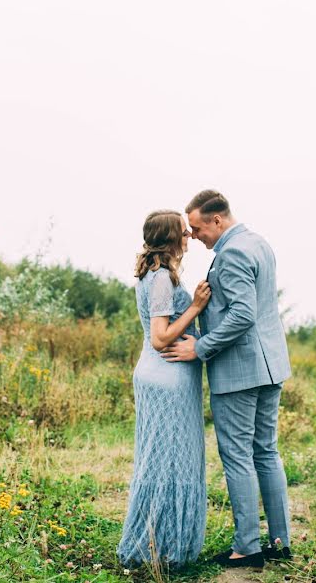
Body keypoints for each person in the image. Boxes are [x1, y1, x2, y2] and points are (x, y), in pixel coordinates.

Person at [162, 190, 293, 569]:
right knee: (266, 451)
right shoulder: (259, 243)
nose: (195, 236)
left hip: (239, 372)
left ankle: (247, 547)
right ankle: (280, 541)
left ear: (217, 220)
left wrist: (199, 348)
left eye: (198, 228)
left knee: (238, 457)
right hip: (270, 366)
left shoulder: (232, 253)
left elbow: (242, 315)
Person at [117, 209, 212, 568]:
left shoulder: (154, 274)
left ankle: (164, 543)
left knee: (163, 459)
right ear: (171, 238)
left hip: (163, 375)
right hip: (167, 375)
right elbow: (159, 338)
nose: (189, 238)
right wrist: (197, 307)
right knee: (168, 461)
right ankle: (162, 549)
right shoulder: (159, 278)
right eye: (184, 234)